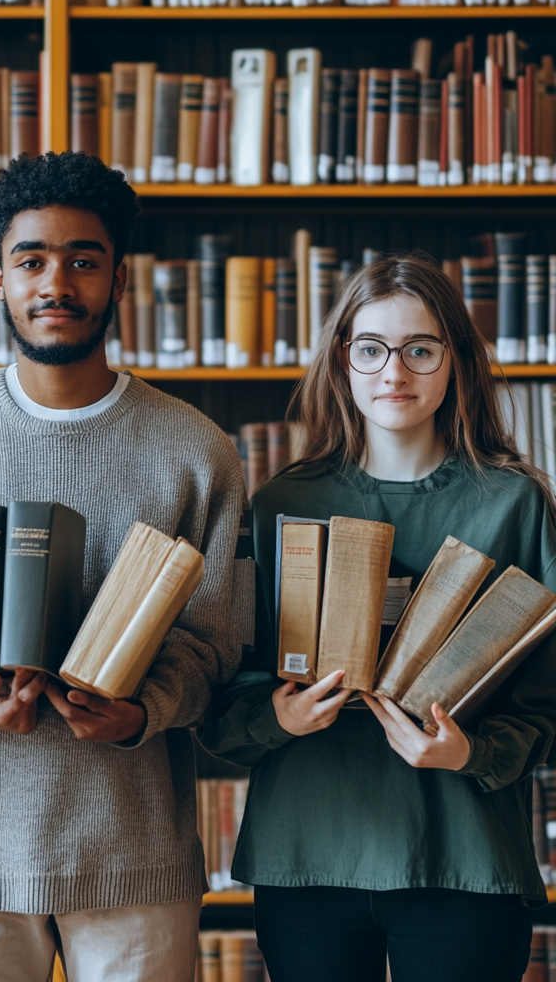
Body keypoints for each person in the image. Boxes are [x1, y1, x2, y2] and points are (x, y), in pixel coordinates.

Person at [0, 151, 252, 982]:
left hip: (133, 846)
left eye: (82, 260)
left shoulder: (195, 450)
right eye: (32, 260)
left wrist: (142, 711)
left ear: (119, 280)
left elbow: (216, 645)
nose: (56, 283)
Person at [199, 255, 556, 982]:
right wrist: (280, 716)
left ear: (456, 361)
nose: (395, 372)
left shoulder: (514, 504)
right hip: (308, 859)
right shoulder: (278, 504)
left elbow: (547, 701)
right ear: (343, 361)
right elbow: (219, 699)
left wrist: (470, 754)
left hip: (463, 856)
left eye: (420, 349)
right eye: (372, 349)